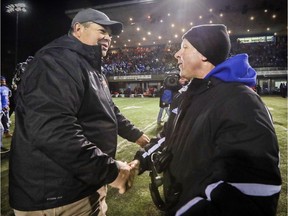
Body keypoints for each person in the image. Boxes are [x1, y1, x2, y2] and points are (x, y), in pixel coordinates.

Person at [9, 8, 150, 216]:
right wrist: (111, 171)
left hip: (76, 186)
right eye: (102, 31)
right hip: (58, 194)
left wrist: (137, 136)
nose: (107, 38)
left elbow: (109, 111)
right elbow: (54, 131)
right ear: (78, 29)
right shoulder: (57, 61)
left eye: (110, 35)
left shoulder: (88, 66)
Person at [133, 24, 282, 216]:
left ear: (204, 53)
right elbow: (168, 137)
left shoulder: (241, 102)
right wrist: (141, 161)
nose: (177, 54)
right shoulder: (187, 94)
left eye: (185, 47)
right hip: (175, 201)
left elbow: (251, 192)